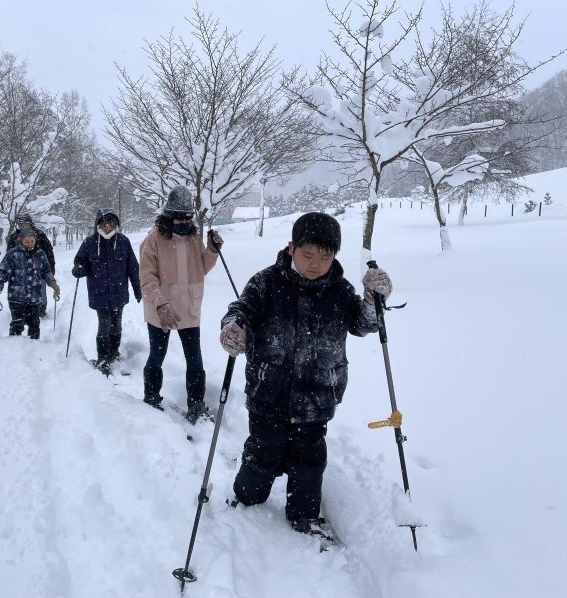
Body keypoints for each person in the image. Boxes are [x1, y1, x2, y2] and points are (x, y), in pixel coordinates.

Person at [218, 212, 393, 533]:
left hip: (318, 395)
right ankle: (247, 499)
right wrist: (233, 328)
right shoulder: (266, 283)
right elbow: (239, 309)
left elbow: (363, 323)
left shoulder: (339, 291)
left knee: (309, 460)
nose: (315, 264)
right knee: (263, 450)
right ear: (290, 248)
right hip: (267, 393)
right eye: (307, 255)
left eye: (325, 257)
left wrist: (373, 301)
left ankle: (304, 515)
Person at [139, 185, 224, 424]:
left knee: (194, 359)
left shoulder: (194, 239)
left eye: (187, 217)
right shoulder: (153, 240)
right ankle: (151, 398)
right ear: (168, 215)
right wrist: (160, 304)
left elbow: (200, 269)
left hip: (188, 307)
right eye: (179, 217)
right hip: (161, 311)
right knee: (157, 355)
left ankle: (196, 404)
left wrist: (212, 250)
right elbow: (146, 277)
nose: (183, 221)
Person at [71, 208, 142, 375]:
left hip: (119, 292)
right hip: (99, 294)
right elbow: (79, 261)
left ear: (116, 224)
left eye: (111, 223)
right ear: (98, 225)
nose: (108, 226)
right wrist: (79, 268)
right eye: (104, 223)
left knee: (116, 324)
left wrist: (138, 290)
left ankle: (113, 353)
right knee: (104, 326)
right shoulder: (89, 243)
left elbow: (133, 268)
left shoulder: (123, 241)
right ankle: (103, 358)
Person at [0, 229, 60, 340]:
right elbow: (2, 273)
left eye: (32, 241)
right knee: (17, 324)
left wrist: (53, 284)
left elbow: (46, 271)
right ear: (21, 241)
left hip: (34, 298)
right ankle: (13, 346)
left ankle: (34, 346)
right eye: (26, 241)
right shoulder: (13, 254)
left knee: (34, 324)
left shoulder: (40, 254)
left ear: (35, 240)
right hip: (16, 298)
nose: (29, 244)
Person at [6, 214, 56, 317]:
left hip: (38, 268)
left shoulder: (40, 235)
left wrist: (51, 268)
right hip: (19, 272)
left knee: (40, 291)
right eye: (20, 224)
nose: (23, 225)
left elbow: (49, 252)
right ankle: (23, 311)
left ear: (30, 223)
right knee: (21, 292)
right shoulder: (15, 237)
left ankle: (41, 309)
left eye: (25, 223)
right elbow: (9, 254)